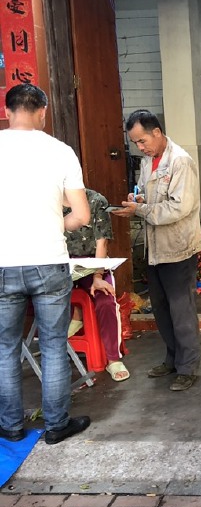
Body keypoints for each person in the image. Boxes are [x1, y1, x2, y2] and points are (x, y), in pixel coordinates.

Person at [0, 83, 91, 444]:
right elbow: (81, 215)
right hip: (49, 262)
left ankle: (10, 426)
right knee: (53, 345)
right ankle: (56, 426)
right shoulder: (60, 151)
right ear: (42, 112)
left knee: (5, 347)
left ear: (7, 112)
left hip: (3, 264)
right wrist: (55, 223)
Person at [112, 110, 201, 391]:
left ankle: (188, 367)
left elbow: (178, 207)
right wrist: (137, 198)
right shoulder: (149, 160)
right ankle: (173, 359)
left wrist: (140, 209)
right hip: (155, 248)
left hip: (178, 248)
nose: (140, 147)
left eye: (142, 141)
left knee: (181, 310)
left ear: (157, 133)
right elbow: (147, 194)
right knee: (161, 309)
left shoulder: (180, 162)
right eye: (135, 143)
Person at [65, 188, 130, 382]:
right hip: (61, 264)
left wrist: (98, 275)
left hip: (93, 263)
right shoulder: (47, 200)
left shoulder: (95, 200)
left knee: (105, 299)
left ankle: (113, 358)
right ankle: (74, 320)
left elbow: (102, 243)